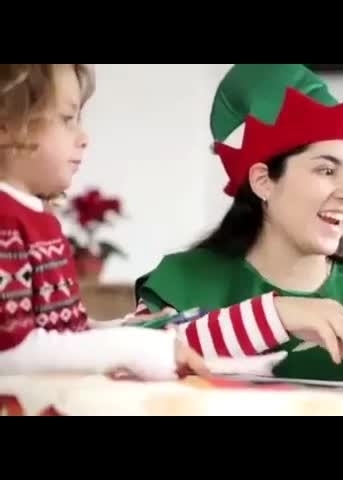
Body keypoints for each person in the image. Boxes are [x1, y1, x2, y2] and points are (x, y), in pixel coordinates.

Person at [133, 64, 343, 384]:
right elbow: (129, 359)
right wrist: (277, 314)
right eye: (327, 171)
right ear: (263, 181)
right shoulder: (183, 283)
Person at [0, 64, 212, 380]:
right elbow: (10, 353)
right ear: (6, 126)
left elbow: (58, 333)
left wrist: (123, 330)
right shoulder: (5, 222)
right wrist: (134, 348)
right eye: (67, 119)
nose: (83, 137)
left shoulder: (38, 219)